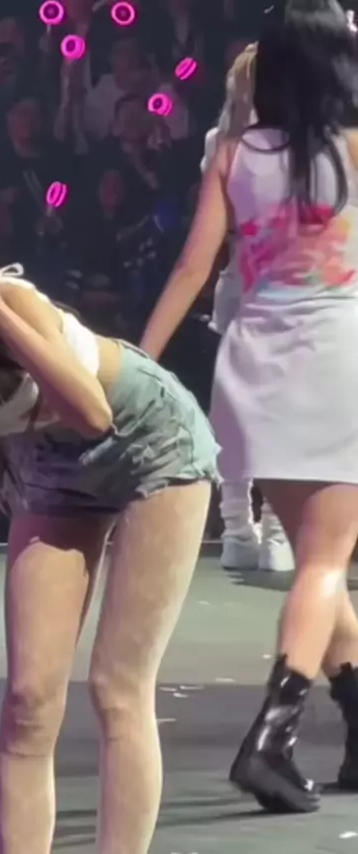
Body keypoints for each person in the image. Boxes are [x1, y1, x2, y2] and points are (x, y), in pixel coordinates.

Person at [0, 202, 218, 853]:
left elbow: (93, 415)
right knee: (29, 701)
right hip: (50, 470)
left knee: (118, 688)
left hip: (149, 439)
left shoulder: (7, 307)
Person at [140, 0, 358, 814]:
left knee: (317, 559)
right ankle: (269, 741)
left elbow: (194, 269)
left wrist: (143, 360)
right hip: (335, 361)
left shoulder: (234, 153)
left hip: (254, 366)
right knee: (326, 563)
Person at [202, 45, 293, 572]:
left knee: (239, 415)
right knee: (277, 411)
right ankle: (263, 531)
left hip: (249, 287)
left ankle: (244, 529)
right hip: (279, 288)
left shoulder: (222, 142)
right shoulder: (298, 142)